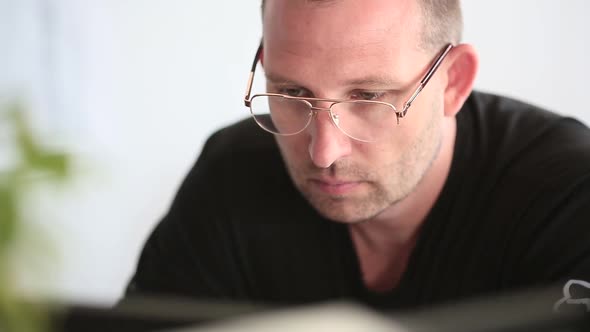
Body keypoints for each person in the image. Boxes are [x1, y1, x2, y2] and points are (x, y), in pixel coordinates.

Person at [124, 0, 590, 311]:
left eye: (369, 97)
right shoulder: (231, 171)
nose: (323, 152)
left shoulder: (568, 194)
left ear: (452, 82)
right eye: (292, 92)